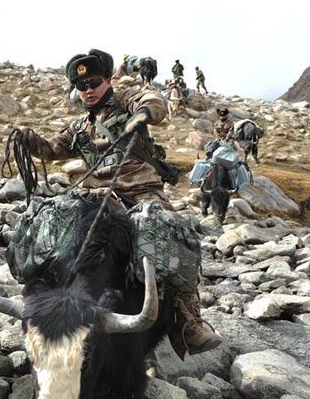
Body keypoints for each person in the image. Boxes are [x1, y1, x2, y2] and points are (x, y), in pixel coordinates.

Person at [21, 48, 222, 357]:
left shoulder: (126, 99)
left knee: (171, 234)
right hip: (96, 196)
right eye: (81, 86)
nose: (88, 90)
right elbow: (51, 149)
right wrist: (30, 141)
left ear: (107, 81)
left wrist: (142, 116)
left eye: (95, 83)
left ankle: (189, 319)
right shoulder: (79, 128)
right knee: (52, 229)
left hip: (141, 190)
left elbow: (155, 103)